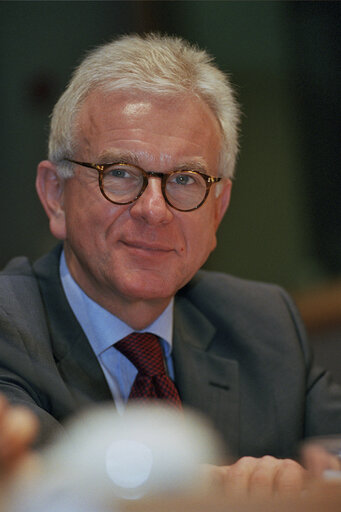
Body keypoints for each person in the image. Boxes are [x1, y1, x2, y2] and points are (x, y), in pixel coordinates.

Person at [1, 33, 341, 497]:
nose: (154, 210)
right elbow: (45, 484)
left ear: (218, 209)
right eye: (119, 173)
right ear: (55, 195)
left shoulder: (264, 326)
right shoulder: (8, 328)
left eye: (185, 179)